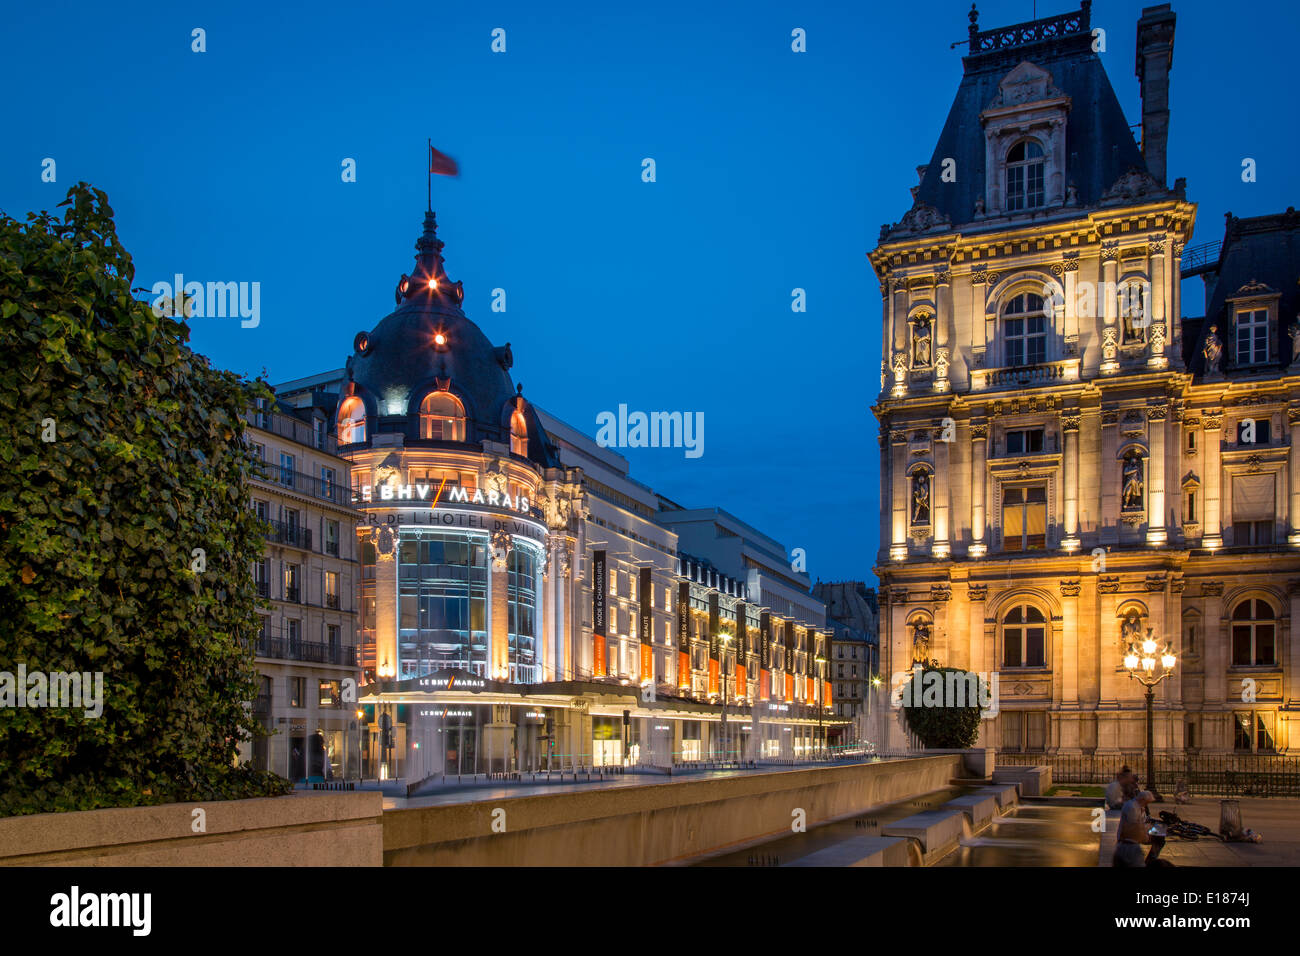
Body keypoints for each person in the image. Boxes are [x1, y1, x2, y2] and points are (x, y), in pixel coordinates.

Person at [1114, 790, 1156, 867]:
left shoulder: (1140, 807)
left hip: (1135, 836)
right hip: (1128, 838)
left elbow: (1142, 821)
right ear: (1142, 799)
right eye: (1147, 802)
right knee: (1157, 840)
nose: (1147, 804)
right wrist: (1147, 830)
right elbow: (1134, 826)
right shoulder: (1131, 807)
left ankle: (1150, 861)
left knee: (1158, 839)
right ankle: (1150, 862)